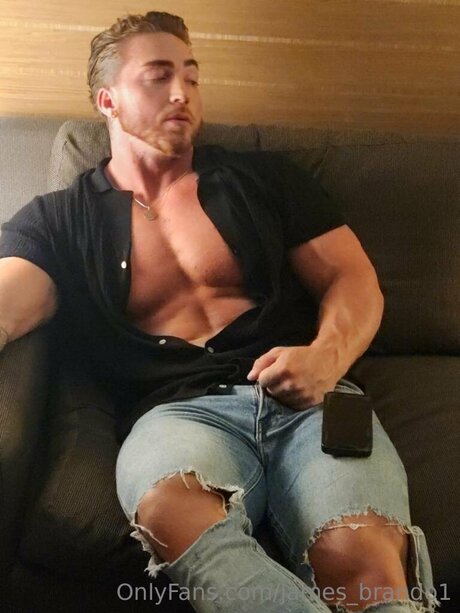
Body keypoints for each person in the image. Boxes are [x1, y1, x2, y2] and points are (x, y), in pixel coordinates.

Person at [0, 11, 438, 613]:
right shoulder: (60, 220)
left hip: (317, 399)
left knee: (366, 564)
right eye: (158, 76)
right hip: (177, 414)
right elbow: (9, 304)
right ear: (108, 100)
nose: (182, 93)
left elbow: (351, 277)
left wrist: (326, 357)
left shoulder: (263, 179)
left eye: (191, 76)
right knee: (177, 519)